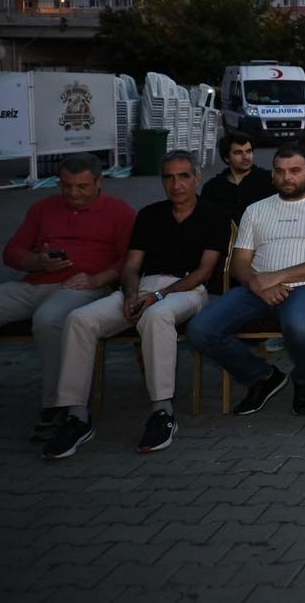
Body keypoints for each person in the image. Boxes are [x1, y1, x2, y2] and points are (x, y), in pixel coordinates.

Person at [42, 151, 225, 459]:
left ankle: (162, 412)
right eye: (169, 177)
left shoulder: (214, 215)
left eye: (184, 176)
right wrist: (129, 295)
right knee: (79, 319)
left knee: (156, 316)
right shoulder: (149, 215)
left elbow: (204, 272)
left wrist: (159, 295)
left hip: (188, 289)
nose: (176, 184)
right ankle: (76, 416)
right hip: (141, 288)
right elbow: (130, 266)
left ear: (197, 178)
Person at [0, 154, 135, 437]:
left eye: (82, 186)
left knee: (49, 319)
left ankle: (57, 405)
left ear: (100, 182)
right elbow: (12, 252)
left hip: (82, 287)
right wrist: (37, 261)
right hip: (32, 284)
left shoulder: (120, 212)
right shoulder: (43, 208)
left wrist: (97, 278)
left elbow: (131, 260)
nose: (73, 193)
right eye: (66, 185)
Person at [187, 145, 305, 417]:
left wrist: (276, 278)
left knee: (299, 326)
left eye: (295, 171)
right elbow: (239, 262)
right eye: (280, 171)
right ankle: (262, 376)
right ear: (272, 175)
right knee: (200, 330)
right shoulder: (256, 210)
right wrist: (257, 284)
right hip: (256, 288)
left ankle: (304, 379)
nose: (287, 177)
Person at [200, 131, 274, 222]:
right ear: (227, 158)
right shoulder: (212, 187)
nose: (245, 157)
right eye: (238, 153)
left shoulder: (269, 179)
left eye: (248, 151)